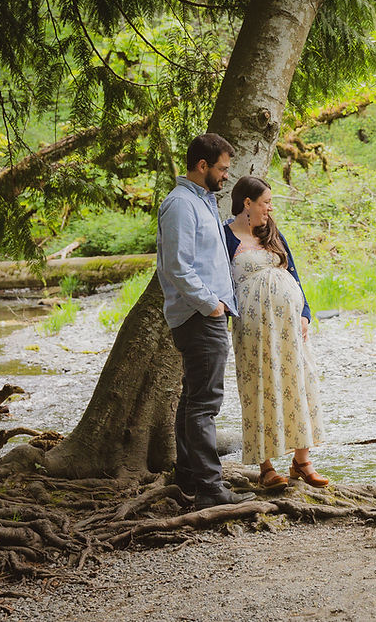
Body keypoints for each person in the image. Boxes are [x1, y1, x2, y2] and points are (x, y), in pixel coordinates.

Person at [156, 133, 255, 509]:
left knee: (192, 398)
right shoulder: (181, 204)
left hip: (206, 314)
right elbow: (177, 266)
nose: (226, 176)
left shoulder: (202, 201)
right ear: (202, 166)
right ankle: (211, 490)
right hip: (198, 317)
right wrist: (210, 305)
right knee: (204, 404)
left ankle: (188, 477)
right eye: (222, 169)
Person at [225, 175, 328, 488]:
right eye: (266, 202)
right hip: (252, 331)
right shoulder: (225, 237)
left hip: (289, 328)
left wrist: (305, 313)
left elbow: (292, 272)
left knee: (300, 382)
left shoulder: (271, 231)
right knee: (259, 388)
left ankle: (302, 461)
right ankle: (266, 466)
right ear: (248, 203)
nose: (270, 208)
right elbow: (221, 282)